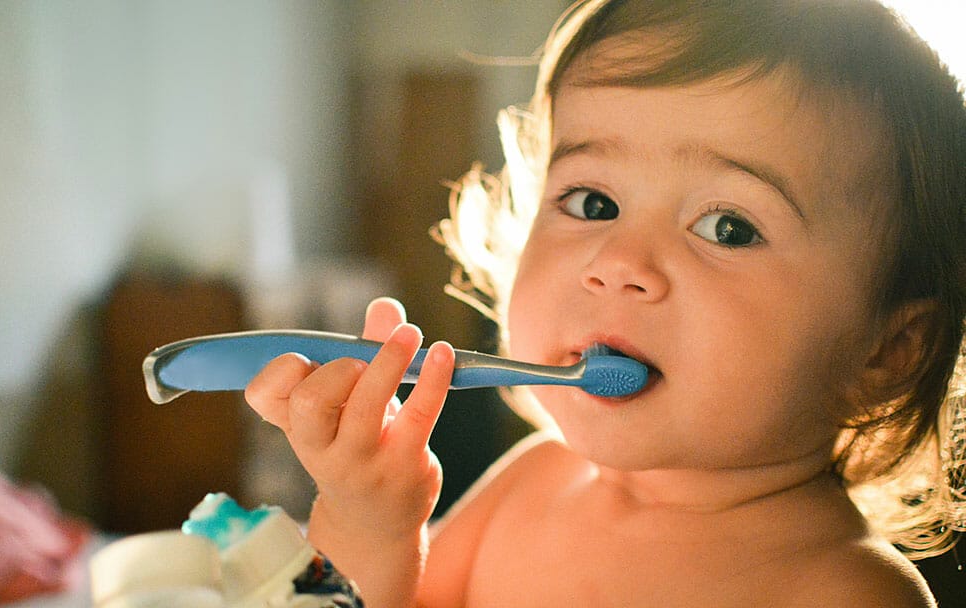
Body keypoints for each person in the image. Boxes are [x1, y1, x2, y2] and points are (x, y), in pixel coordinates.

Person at [243, 0, 966, 605]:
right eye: (593, 202)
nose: (618, 262)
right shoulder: (530, 487)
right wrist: (368, 522)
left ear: (887, 351)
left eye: (729, 227)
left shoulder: (846, 594)